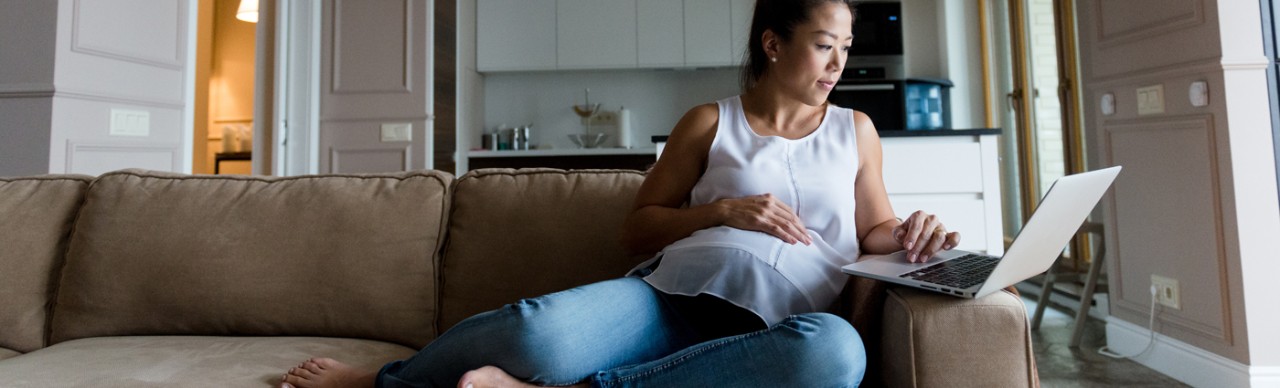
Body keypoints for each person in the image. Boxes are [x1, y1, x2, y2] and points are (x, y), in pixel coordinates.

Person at [280, 0, 960, 387]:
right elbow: (637, 231)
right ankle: (383, 381)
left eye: (843, 46)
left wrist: (907, 235)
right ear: (774, 45)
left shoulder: (855, 130)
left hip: (777, 327)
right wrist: (723, 211)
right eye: (823, 45)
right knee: (534, 330)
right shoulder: (707, 121)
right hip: (667, 302)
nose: (839, 63)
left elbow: (875, 228)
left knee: (836, 354)